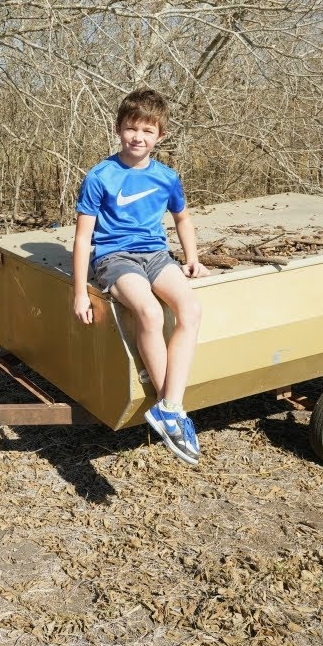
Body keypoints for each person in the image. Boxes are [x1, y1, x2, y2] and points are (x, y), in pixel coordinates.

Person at [71, 88, 209, 465]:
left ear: (160, 136)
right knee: (148, 311)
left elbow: (182, 218)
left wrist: (192, 258)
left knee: (190, 310)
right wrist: (80, 293)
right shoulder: (100, 176)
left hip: (156, 255)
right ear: (118, 129)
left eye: (148, 131)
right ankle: (172, 411)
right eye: (132, 128)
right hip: (114, 259)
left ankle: (171, 407)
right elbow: (83, 238)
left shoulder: (167, 177)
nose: (138, 137)